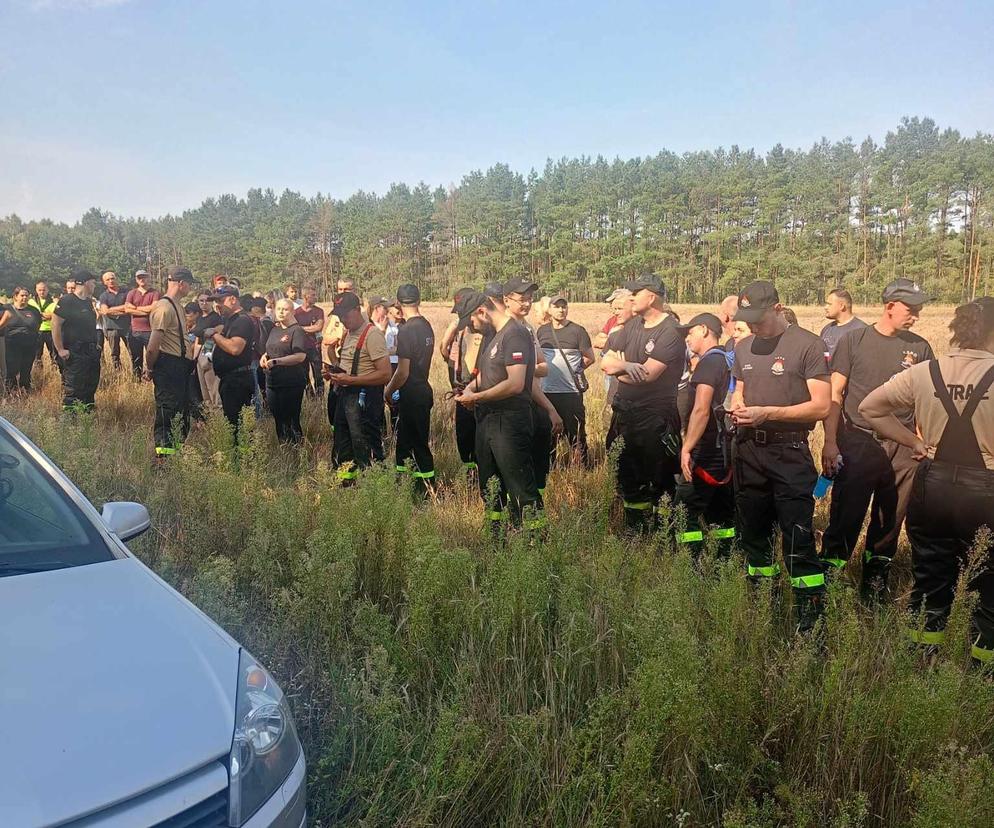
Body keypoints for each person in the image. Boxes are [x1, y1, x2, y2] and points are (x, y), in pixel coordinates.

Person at [859, 298, 994, 663]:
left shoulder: (925, 372)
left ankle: (921, 661)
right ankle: (983, 676)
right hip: (986, 490)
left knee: (930, 578)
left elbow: (869, 408)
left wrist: (914, 442)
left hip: (932, 485)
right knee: (989, 585)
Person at [820, 278, 935, 594]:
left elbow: (925, 401)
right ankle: (826, 588)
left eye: (919, 309)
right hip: (859, 441)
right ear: (889, 307)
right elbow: (836, 393)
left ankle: (873, 588)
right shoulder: (854, 341)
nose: (917, 315)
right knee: (846, 517)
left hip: (903, 447)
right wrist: (830, 442)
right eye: (911, 309)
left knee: (889, 522)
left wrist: (922, 444)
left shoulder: (920, 347)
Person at [730, 280, 831, 631]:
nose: (753, 325)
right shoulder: (742, 348)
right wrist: (738, 406)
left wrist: (767, 413)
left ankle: (809, 621)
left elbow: (821, 406)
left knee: (797, 537)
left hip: (788, 453)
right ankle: (762, 606)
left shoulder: (808, 345)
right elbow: (739, 391)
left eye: (758, 318)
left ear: (777, 307)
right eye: (748, 319)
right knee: (754, 536)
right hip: (747, 451)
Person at [600, 274, 686, 533]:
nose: (631, 297)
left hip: (655, 418)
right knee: (628, 473)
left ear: (653, 296)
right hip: (625, 414)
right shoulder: (631, 326)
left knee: (660, 478)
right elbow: (606, 362)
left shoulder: (670, 331)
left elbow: (646, 375)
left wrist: (620, 369)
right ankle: (636, 532)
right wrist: (625, 365)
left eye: (637, 292)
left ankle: (663, 536)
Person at [454, 290, 543, 532]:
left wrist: (477, 397)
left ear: (481, 312)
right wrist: (470, 391)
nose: (471, 328)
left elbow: (515, 383)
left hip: (510, 422)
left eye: (470, 321)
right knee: (491, 485)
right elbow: (485, 375)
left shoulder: (515, 335)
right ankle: (497, 538)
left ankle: (537, 541)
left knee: (520, 486)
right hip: (488, 421)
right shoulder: (492, 335)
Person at [674, 313, 736, 553]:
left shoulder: (709, 363)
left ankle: (691, 569)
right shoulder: (728, 360)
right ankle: (723, 562)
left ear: (704, 329)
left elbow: (701, 410)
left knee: (684, 510)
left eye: (689, 333)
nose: (687, 339)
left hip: (706, 450)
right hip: (724, 451)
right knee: (720, 512)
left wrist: (687, 448)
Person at [502, 277, 562, 499]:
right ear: (506, 300)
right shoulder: (504, 329)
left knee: (538, 463)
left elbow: (543, 367)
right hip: (515, 406)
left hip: (534, 403)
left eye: (529, 299)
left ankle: (534, 510)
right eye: (521, 299)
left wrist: (525, 368)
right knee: (516, 466)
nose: (526, 304)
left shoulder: (528, 328)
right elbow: (515, 376)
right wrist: (551, 408)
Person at [327, 291, 391, 483]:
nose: (343, 320)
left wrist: (351, 380)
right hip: (344, 397)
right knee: (342, 445)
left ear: (357, 310)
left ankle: (375, 489)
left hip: (363, 399)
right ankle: (346, 487)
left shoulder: (372, 335)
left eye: (345, 315)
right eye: (339, 316)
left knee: (366, 446)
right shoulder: (347, 334)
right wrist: (334, 372)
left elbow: (385, 374)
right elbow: (347, 365)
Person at [383, 285, 436, 494]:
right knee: (405, 442)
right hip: (423, 388)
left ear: (398, 303)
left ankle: (426, 490)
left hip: (411, 393)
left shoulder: (406, 330)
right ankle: (404, 484)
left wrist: (388, 391)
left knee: (417, 443)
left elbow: (403, 372)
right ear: (419, 300)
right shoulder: (426, 325)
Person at [146, 267, 197, 461]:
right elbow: (153, 346)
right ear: (181, 283)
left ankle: (176, 451)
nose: (190, 288)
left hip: (180, 365)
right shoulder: (164, 307)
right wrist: (150, 367)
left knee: (181, 410)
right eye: (189, 284)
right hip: (168, 364)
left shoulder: (177, 306)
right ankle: (164, 459)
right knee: (167, 410)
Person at [536, 295, 594, 466]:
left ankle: (582, 470)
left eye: (564, 306)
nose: (561, 310)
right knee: (548, 434)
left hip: (571, 393)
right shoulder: (542, 331)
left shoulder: (578, 331)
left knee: (576, 434)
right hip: (546, 393)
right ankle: (549, 469)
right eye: (557, 307)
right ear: (550, 310)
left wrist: (575, 372)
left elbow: (589, 358)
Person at [203, 285, 257, 437]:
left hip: (238, 381)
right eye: (215, 302)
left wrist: (214, 334)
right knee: (232, 425)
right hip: (229, 380)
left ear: (233, 299)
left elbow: (235, 348)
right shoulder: (229, 321)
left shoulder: (242, 321)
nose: (217, 306)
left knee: (241, 428)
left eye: (220, 301)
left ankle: (245, 458)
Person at [447, 288, 487, 477]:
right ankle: (471, 475)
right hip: (463, 393)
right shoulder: (461, 332)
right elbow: (451, 358)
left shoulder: (490, 333)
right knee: (464, 438)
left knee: (483, 442)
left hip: (483, 396)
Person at [52, 269, 101, 412]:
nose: (94, 286)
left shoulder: (87, 302)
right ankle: (70, 420)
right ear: (85, 283)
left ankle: (87, 416)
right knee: (74, 387)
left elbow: (89, 326)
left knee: (90, 385)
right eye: (93, 283)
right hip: (75, 351)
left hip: (90, 351)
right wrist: (60, 349)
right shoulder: (67, 300)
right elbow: (55, 325)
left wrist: (96, 344)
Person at [261, 299, 309, 444]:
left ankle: (297, 448)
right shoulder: (274, 329)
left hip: (291, 381)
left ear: (293, 311)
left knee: (291, 419)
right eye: (279, 309)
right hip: (273, 381)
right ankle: (284, 448)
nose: (282, 312)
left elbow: (300, 356)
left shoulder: (297, 331)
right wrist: (264, 357)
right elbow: (270, 349)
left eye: (286, 309)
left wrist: (277, 361)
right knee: (278, 418)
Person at [321, 277, 360, 431]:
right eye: (340, 289)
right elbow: (327, 340)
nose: (342, 292)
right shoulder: (336, 317)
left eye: (347, 289)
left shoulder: (360, 316)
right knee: (335, 409)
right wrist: (340, 337)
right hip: (338, 366)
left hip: (355, 373)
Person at [0, 287, 42, 392]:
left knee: (26, 369)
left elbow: (38, 324)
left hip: (30, 345)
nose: (25, 297)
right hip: (12, 345)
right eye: (22, 295)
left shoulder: (34, 311)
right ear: (15, 297)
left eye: (27, 295)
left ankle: (25, 390)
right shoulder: (7, 309)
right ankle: (11, 393)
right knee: (11, 370)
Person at [125, 269, 161, 379]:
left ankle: (152, 377)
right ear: (136, 279)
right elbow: (127, 309)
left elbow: (154, 308)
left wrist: (135, 308)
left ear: (148, 278)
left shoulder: (155, 293)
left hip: (150, 331)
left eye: (144, 277)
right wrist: (145, 310)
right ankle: (137, 380)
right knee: (136, 358)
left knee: (152, 356)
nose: (142, 279)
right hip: (135, 331)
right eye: (139, 277)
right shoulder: (132, 293)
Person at [293, 286, 325, 396]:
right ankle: (310, 397)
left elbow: (318, 327)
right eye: (313, 295)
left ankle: (320, 398)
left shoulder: (319, 311)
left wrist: (301, 328)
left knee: (318, 374)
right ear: (306, 297)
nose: (316, 297)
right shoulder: (296, 313)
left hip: (315, 347)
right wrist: (308, 328)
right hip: (301, 348)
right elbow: (294, 329)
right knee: (304, 375)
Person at [194, 291, 223, 408]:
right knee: (204, 389)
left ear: (212, 302)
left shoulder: (216, 318)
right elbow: (197, 339)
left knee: (213, 389)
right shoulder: (200, 318)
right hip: (200, 353)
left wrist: (206, 358)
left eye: (207, 300)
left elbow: (216, 337)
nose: (204, 303)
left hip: (210, 352)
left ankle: (218, 416)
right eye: (201, 300)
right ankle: (210, 417)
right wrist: (194, 358)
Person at [820, 287, 866, 359]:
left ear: (842, 306)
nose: (825, 307)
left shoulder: (862, 331)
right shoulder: (826, 329)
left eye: (829, 304)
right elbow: (823, 356)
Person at [97, 271, 130, 369]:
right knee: (115, 353)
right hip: (111, 327)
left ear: (116, 279)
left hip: (127, 326)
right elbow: (105, 311)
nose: (111, 281)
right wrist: (123, 308)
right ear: (104, 282)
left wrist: (111, 310)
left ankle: (136, 373)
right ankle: (118, 373)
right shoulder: (104, 296)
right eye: (108, 279)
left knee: (132, 351)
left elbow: (130, 308)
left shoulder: (126, 293)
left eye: (112, 278)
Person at [29, 280, 58, 364]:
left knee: (54, 355)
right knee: (37, 355)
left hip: (50, 331)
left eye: (44, 290)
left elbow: (55, 316)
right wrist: (44, 315)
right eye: (39, 290)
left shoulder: (54, 302)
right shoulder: (31, 302)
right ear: (36, 290)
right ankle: (38, 374)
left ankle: (54, 372)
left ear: (48, 290)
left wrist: (41, 315)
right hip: (36, 331)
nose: (42, 292)